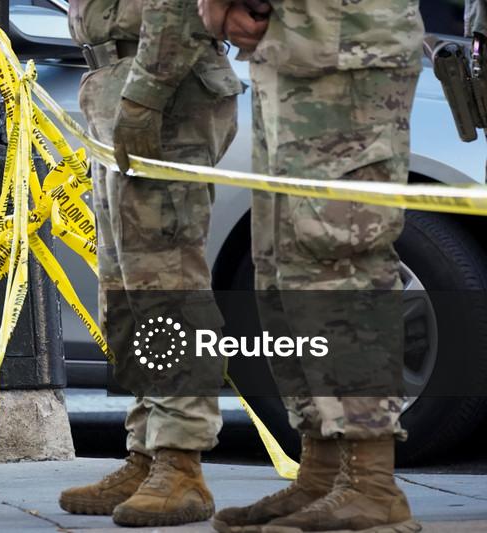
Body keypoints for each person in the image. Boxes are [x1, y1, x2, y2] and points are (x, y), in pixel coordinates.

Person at [198, 1, 424, 532]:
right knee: (284, 269)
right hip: (290, 48)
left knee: (340, 264)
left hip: (347, 46)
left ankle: (371, 485)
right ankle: (323, 472)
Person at [60, 0, 242, 527]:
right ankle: (146, 452)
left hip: (164, 82)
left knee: (166, 288)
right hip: (118, 81)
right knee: (128, 291)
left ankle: (180, 464)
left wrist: (146, 92)